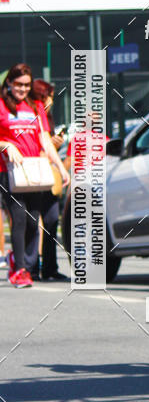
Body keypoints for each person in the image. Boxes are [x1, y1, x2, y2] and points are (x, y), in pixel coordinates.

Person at [0, 64, 69, 288]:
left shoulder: (36, 106)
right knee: (19, 218)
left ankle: (23, 264)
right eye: (18, 84)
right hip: (8, 172)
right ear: (9, 83)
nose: (22, 88)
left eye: (26, 85)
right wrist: (5, 146)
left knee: (32, 220)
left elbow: (45, 141)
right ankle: (20, 270)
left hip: (34, 171)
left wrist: (60, 167)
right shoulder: (1, 105)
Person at [31, 79, 69, 281]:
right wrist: (49, 146)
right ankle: (31, 267)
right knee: (33, 221)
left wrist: (55, 145)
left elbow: (49, 148)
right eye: (48, 96)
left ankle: (50, 267)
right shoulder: (31, 115)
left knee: (52, 220)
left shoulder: (49, 117)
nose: (51, 100)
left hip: (49, 173)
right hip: (33, 173)